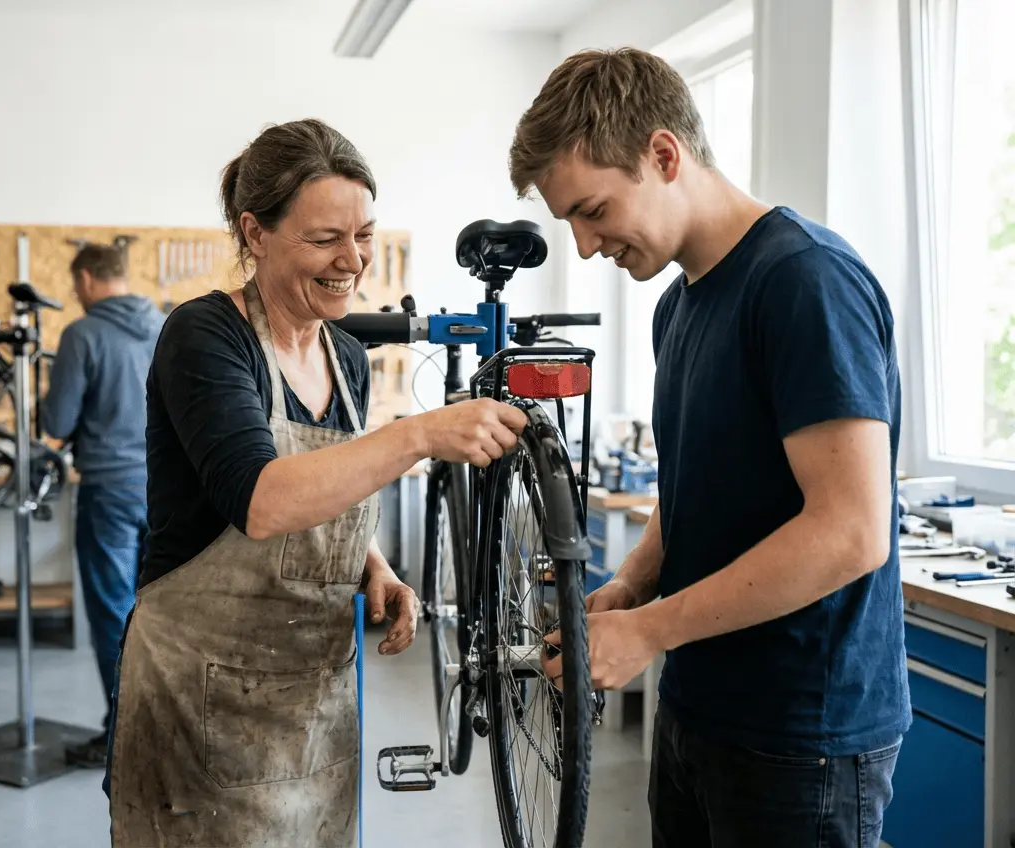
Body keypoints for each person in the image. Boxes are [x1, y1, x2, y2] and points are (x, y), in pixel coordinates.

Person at [516, 49, 908, 846]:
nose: (587, 247)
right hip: (699, 709)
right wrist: (630, 586)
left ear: (664, 155)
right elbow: (695, 490)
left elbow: (853, 531)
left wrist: (651, 632)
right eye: (571, 225)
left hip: (803, 737)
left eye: (592, 211)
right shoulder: (679, 308)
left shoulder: (804, 282)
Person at [105, 118, 527, 846]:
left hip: (312, 712)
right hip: (199, 705)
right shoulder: (206, 336)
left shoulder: (347, 358)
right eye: (326, 238)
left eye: (363, 234)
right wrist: (420, 433)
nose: (353, 261)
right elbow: (264, 500)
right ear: (255, 232)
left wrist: (372, 564)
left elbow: (324, 489)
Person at [39, 244, 163, 768]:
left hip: (108, 490)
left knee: (113, 615)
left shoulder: (82, 334)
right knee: (159, 615)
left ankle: (121, 739)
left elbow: (58, 424)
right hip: (163, 490)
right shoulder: (164, 325)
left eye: (76, 286)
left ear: (88, 279)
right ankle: (159, 733)